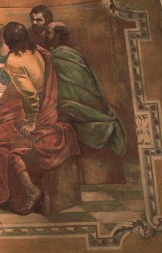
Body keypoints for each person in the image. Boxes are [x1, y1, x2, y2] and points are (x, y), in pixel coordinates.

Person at [0, 22, 80, 216]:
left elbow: (30, 96)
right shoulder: (39, 51)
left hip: (34, 113)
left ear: (8, 41)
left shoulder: (14, 61)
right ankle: (22, 190)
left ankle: (4, 196)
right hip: (48, 108)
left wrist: (31, 121)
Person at [44, 21, 125, 155]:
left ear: (58, 36)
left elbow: (68, 90)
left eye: (48, 32)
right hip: (82, 104)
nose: (44, 35)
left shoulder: (61, 56)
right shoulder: (69, 53)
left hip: (80, 106)